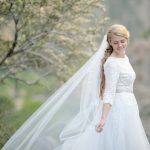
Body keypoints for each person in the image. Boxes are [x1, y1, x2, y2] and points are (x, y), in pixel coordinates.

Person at [2, 24, 150, 150]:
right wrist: (104, 119)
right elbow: (110, 92)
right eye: (116, 42)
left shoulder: (125, 58)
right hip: (116, 109)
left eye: (122, 41)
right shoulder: (111, 63)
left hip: (129, 106)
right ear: (110, 42)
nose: (119, 45)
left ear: (127, 40)